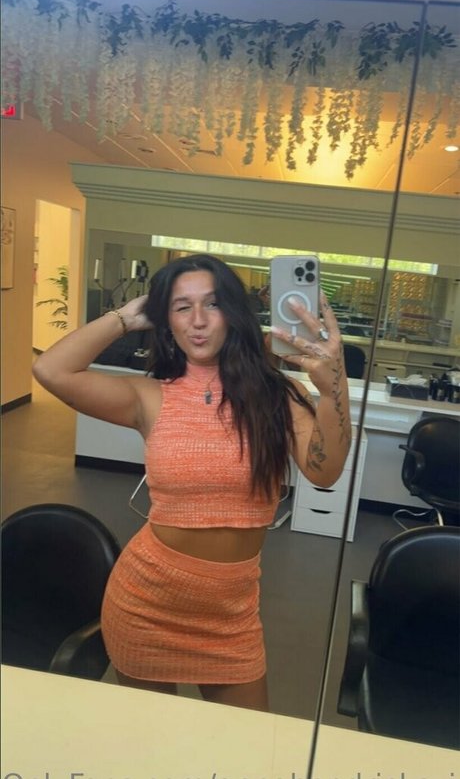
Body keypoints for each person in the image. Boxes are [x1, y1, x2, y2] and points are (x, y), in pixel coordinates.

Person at [33, 253, 351, 712]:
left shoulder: (279, 396)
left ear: (234, 314)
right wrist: (127, 317)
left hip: (232, 616)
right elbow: (50, 370)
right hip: (146, 604)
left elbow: (325, 472)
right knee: (155, 742)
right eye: (182, 307)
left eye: (212, 304)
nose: (198, 320)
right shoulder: (148, 396)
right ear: (166, 320)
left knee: (242, 744)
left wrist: (335, 385)